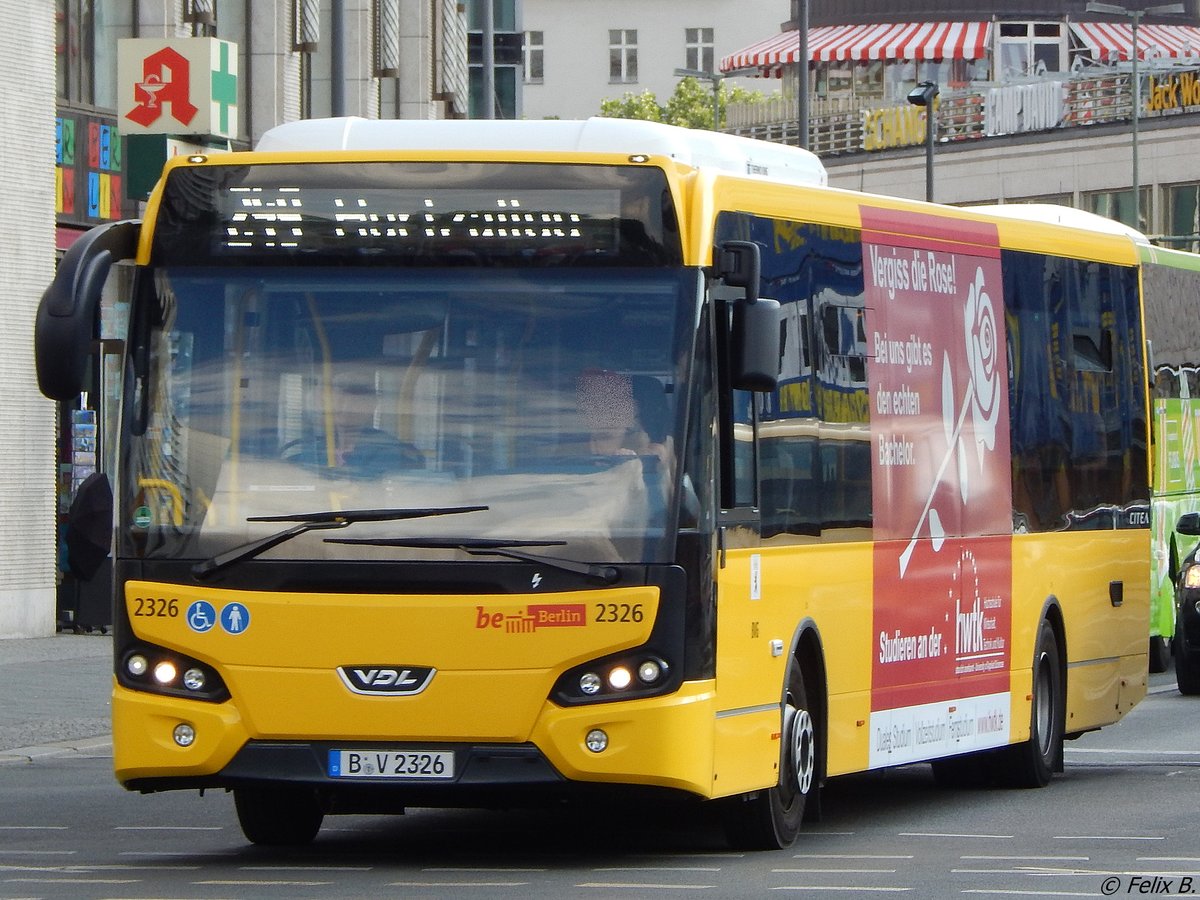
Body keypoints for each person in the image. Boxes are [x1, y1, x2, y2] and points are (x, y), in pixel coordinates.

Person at [574, 368, 671, 466]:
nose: (605, 412)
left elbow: (665, 474)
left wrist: (641, 460)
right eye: (594, 403)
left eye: (613, 404)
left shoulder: (652, 448)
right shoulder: (568, 445)